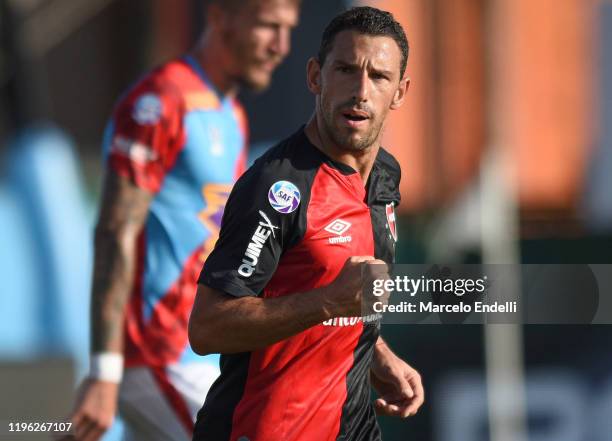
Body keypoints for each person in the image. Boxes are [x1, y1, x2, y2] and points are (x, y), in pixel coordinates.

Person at [189, 6, 424, 441]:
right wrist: (331, 301)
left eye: (379, 77)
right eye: (346, 70)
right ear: (316, 76)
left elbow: (342, 299)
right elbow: (207, 327)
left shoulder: (386, 176)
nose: (360, 91)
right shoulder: (277, 185)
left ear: (400, 92)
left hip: (351, 428)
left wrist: (375, 353)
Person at [69, 1, 300, 440]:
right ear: (220, 17)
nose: (281, 46)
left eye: (289, 30)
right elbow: (115, 229)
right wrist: (104, 368)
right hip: (156, 356)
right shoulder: (160, 101)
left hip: (201, 353)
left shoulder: (231, 115)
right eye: (269, 26)